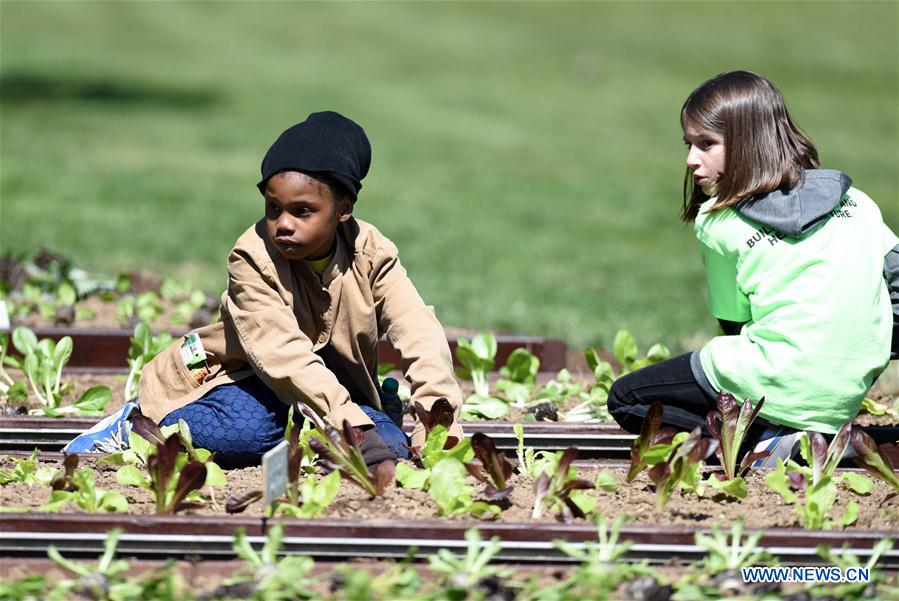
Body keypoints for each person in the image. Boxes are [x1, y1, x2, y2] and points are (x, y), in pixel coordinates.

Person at [66, 111, 464, 467]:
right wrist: (351, 426)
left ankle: (341, 426)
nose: (283, 224)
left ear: (343, 209)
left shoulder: (372, 253)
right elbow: (283, 356)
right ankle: (137, 424)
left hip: (327, 389)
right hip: (242, 381)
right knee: (247, 434)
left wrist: (438, 416)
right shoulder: (252, 257)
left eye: (303, 211)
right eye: (274, 208)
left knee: (393, 445)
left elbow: (418, 328)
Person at [607, 71, 898, 465]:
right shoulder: (857, 203)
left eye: (706, 144)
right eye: (689, 144)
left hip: (771, 377)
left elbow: (734, 324)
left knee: (626, 398)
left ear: (747, 144)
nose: (691, 160)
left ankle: (762, 445)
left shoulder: (720, 222)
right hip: (844, 393)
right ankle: (805, 435)